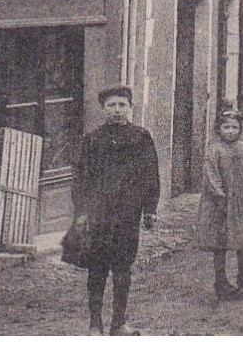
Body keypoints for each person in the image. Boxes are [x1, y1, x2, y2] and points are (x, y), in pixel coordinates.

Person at [71, 86, 160, 335]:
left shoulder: (141, 138)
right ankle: (95, 324)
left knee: (123, 268)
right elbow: (81, 178)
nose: (117, 110)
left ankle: (119, 323)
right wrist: (82, 211)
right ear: (103, 109)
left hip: (128, 214)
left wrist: (150, 209)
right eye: (112, 106)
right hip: (99, 213)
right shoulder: (93, 140)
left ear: (130, 108)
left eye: (122, 105)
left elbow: (150, 175)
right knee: (97, 268)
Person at [193, 110, 243, 300]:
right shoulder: (214, 149)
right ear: (218, 129)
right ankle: (221, 281)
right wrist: (219, 195)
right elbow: (211, 176)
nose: (230, 131)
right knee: (220, 242)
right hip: (219, 203)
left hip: (242, 201)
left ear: (240, 129)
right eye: (226, 127)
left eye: (234, 127)